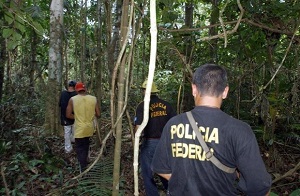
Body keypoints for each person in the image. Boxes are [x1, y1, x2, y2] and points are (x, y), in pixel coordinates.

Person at [152, 64, 272, 195]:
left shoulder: (173, 124)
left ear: (194, 89)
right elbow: (260, 185)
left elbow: (161, 168)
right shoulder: (240, 130)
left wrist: (188, 184)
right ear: (225, 92)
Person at [134, 80, 176, 196]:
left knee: (148, 173)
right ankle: (171, 192)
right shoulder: (167, 105)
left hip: (150, 143)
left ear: (144, 91)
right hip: (166, 143)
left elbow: (138, 129)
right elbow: (175, 125)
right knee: (165, 170)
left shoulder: (142, 106)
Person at [66, 82, 101, 172]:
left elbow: (68, 115)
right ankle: (85, 164)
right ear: (85, 89)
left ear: (76, 90)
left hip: (79, 128)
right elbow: (98, 114)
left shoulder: (72, 99)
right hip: (89, 128)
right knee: (86, 145)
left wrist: (77, 117)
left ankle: (83, 168)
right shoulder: (93, 99)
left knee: (80, 148)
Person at [59, 80, 77, 153]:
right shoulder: (76, 94)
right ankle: (73, 144)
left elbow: (60, 104)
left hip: (65, 116)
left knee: (67, 132)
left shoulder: (63, 93)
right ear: (75, 87)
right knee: (74, 130)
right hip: (74, 116)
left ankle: (68, 148)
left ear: (69, 86)